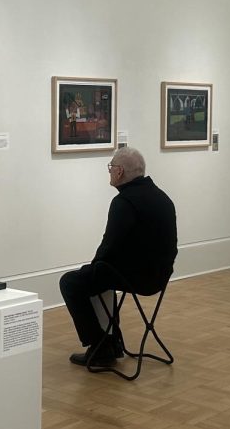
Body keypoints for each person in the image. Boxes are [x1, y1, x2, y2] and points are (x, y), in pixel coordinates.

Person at [59, 147, 178, 367]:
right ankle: (112, 342)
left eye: (111, 167)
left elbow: (109, 244)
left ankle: (100, 345)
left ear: (120, 172)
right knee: (98, 277)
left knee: (70, 282)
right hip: (159, 276)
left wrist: (94, 267)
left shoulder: (124, 202)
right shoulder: (161, 196)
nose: (110, 171)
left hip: (137, 278)